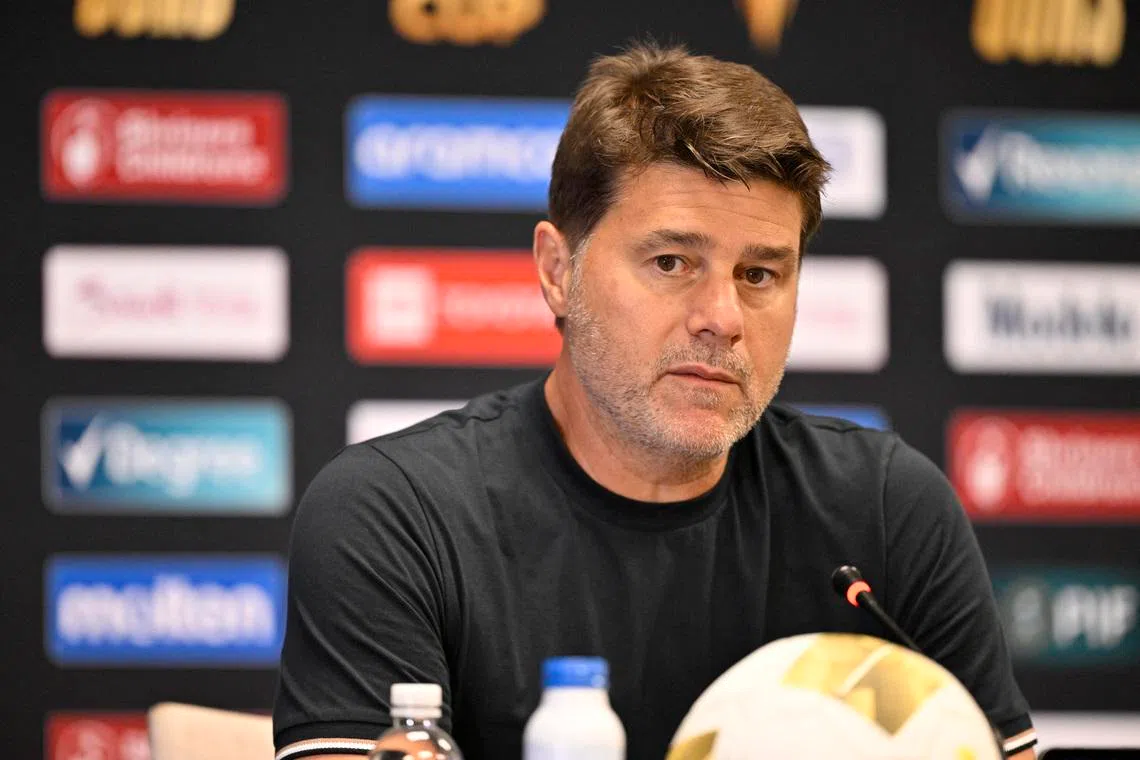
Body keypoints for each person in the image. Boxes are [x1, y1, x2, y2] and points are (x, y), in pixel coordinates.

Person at [273, 43, 1036, 760]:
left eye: (760, 275)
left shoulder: (885, 511)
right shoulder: (394, 515)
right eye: (671, 262)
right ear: (556, 271)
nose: (723, 318)